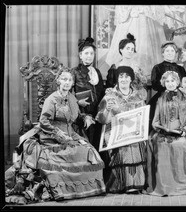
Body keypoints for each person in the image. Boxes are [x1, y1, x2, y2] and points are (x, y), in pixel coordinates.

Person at [5, 68, 106, 204]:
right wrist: (59, 134)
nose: (67, 82)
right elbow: (44, 121)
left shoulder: (71, 97)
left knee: (89, 151)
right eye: (64, 79)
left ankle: (86, 189)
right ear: (58, 81)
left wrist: (86, 117)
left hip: (71, 134)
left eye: (70, 80)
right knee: (56, 159)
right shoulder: (51, 99)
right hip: (51, 136)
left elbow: (74, 117)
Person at [146, 71, 186, 196]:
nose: (170, 84)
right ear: (164, 83)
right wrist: (160, 128)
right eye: (167, 81)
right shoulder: (160, 99)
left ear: (177, 82)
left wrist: (184, 131)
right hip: (163, 133)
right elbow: (155, 121)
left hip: (182, 133)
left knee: (181, 145)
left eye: (172, 81)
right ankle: (164, 186)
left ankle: (183, 183)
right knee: (160, 144)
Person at [96, 66, 147, 194]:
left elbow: (142, 118)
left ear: (131, 79)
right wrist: (107, 109)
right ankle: (118, 184)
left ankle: (135, 184)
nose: (123, 79)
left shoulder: (138, 97)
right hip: (114, 131)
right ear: (117, 79)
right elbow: (101, 119)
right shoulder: (109, 96)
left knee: (134, 145)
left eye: (126, 76)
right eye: (121, 76)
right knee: (122, 147)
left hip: (133, 131)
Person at [72, 37, 105, 150]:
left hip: (97, 114)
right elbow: (67, 95)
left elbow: (102, 93)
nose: (89, 56)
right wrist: (78, 102)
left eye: (91, 53)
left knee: (97, 144)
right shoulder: (75, 72)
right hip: (81, 115)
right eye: (86, 53)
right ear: (80, 55)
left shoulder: (98, 72)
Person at [148, 41, 186, 131]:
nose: (170, 53)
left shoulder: (180, 68)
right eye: (167, 51)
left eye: (172, 51)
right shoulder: (157, 67)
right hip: (162, 96)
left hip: (179, 97)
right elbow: (154, 85)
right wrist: (167, 87)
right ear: (163, 53)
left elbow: (185, 84)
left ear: (175, 53)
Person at [105, 33, 147, 100]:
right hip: (118, 99)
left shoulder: (137, 68)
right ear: (121, 50)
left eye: (132, 49)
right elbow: (110, 85)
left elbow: (142, 86)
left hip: (134, 99)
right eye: (128, 48)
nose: (130, 51)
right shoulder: (115, 67)